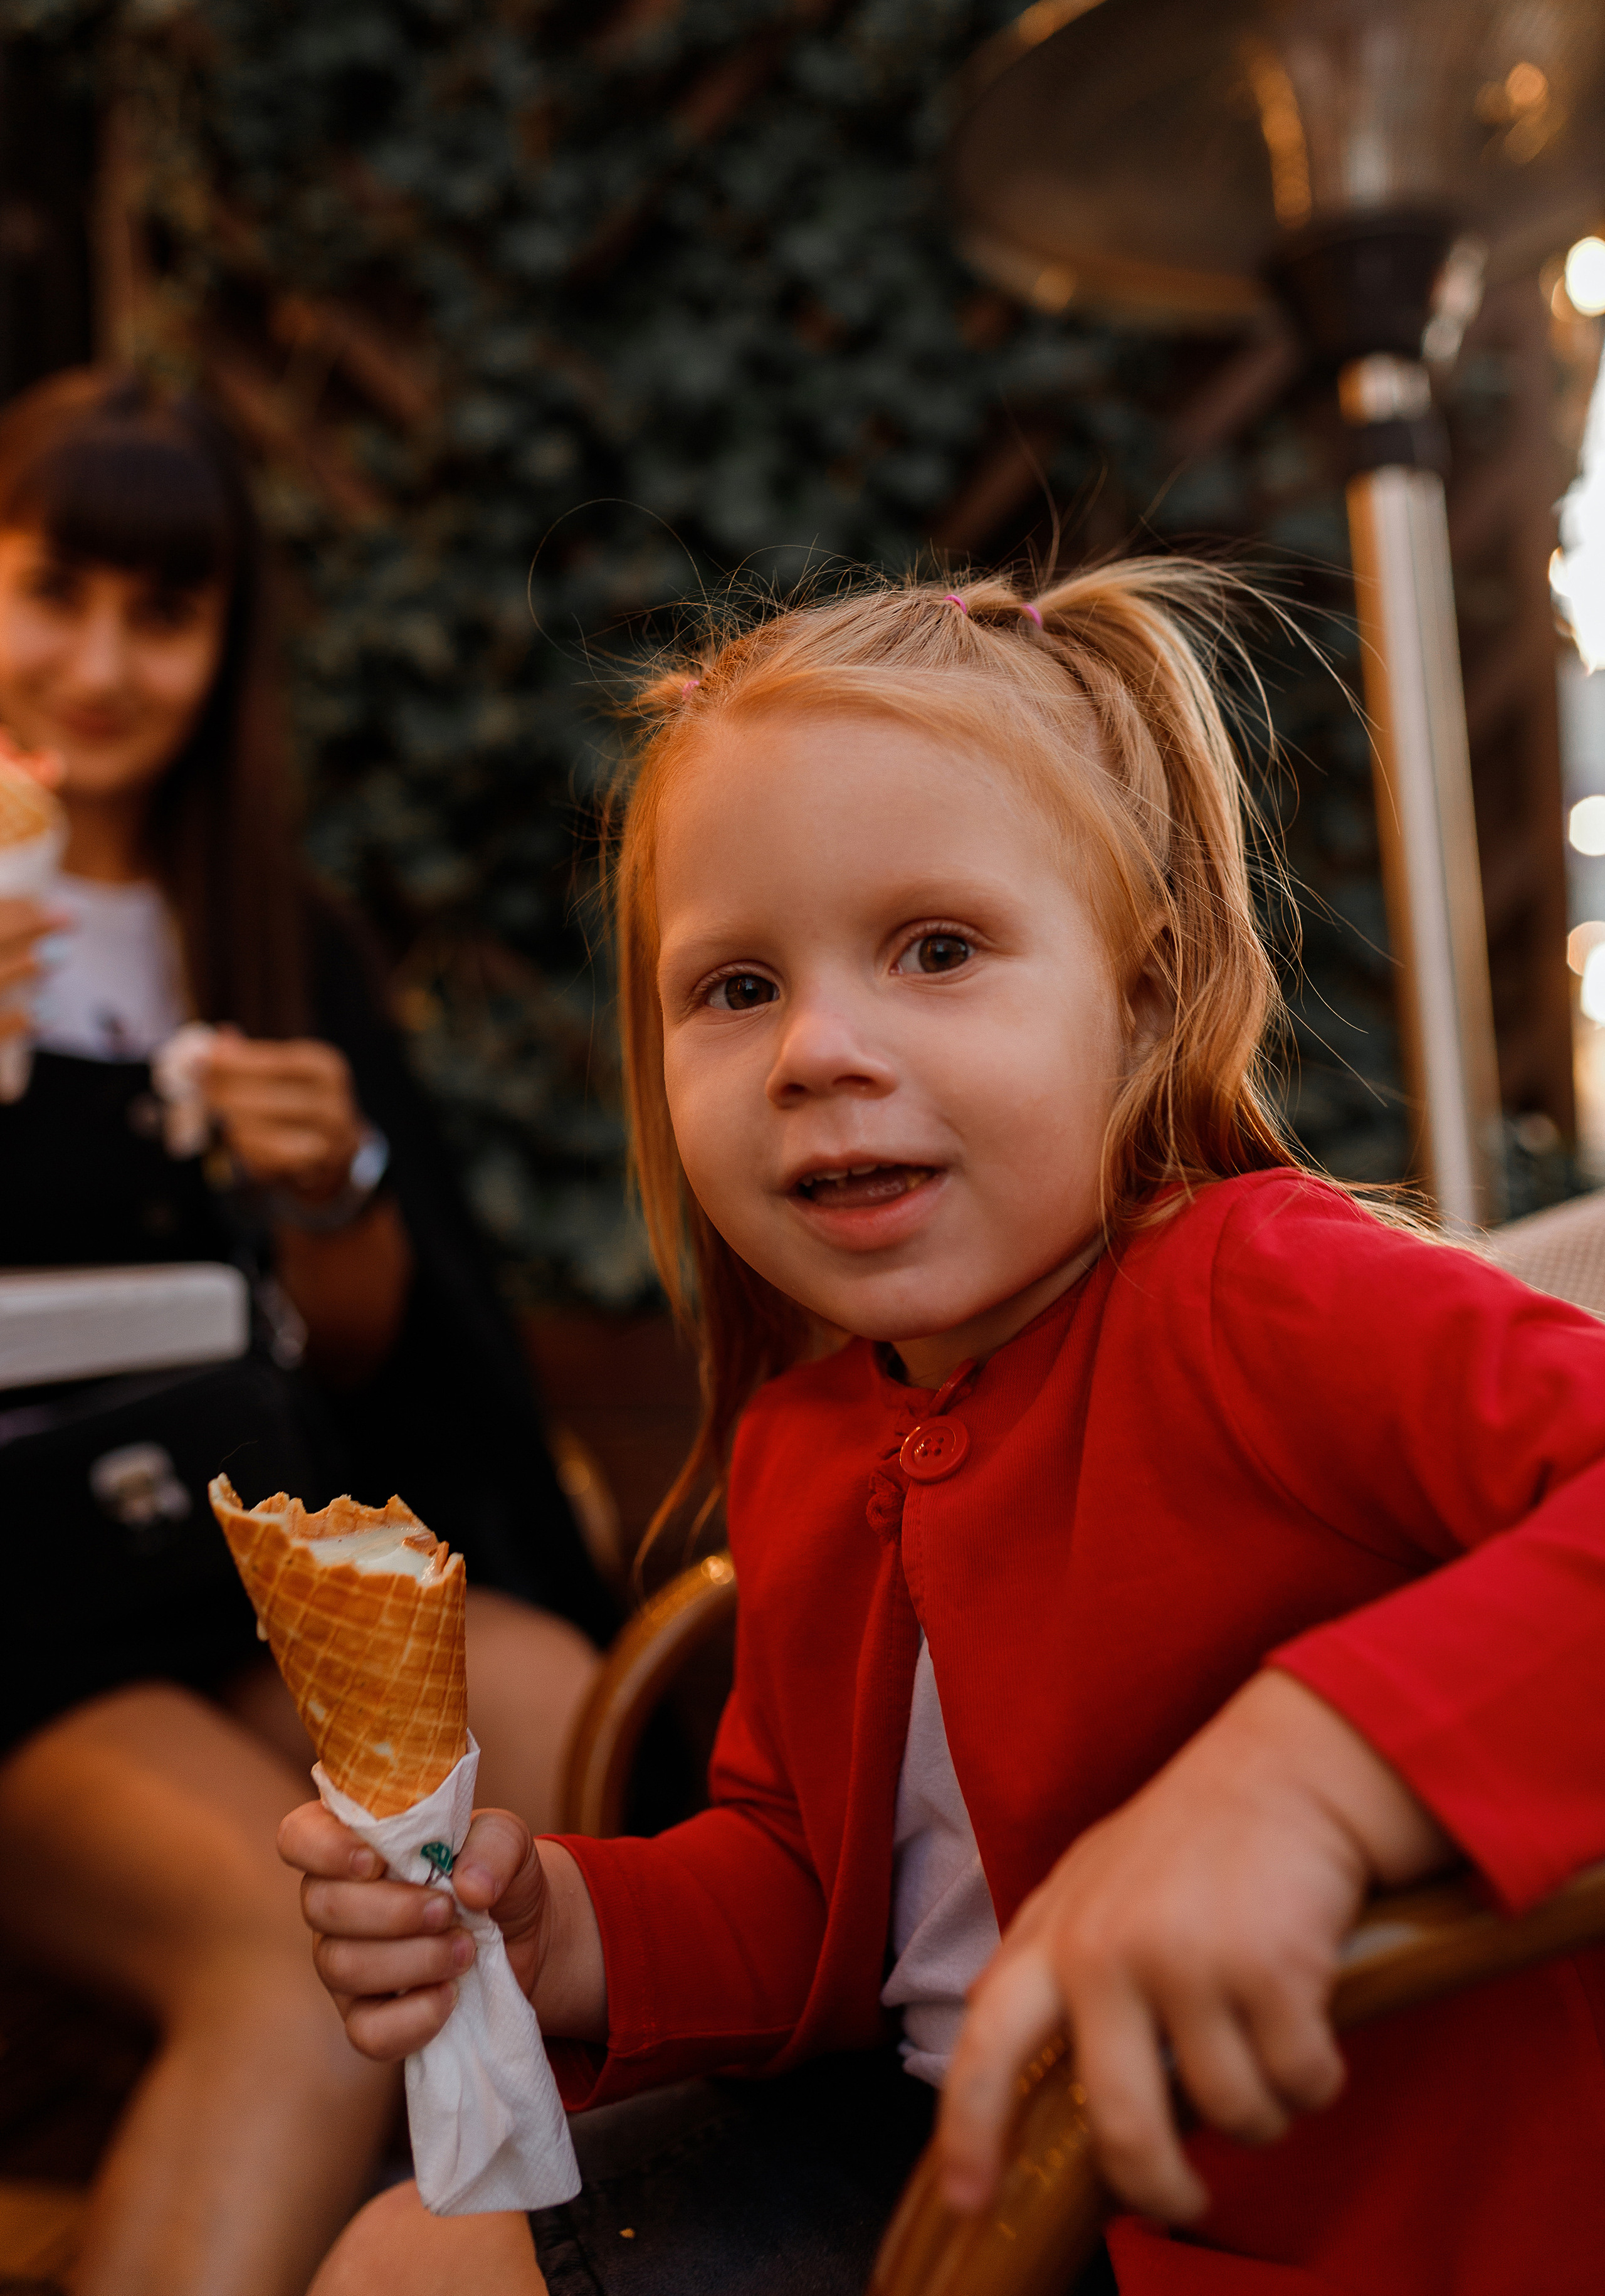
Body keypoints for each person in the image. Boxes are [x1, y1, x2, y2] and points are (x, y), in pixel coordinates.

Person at [287, 564, 1605, 2296]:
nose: (820, 1048)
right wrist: (573, 1931)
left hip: (1300, 2221)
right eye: (735, 987)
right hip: (940, 2148)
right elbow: (813, 1894)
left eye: (939, 950)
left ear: (1142, 992)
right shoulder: (814, 1437)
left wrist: (1308, 1783)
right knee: (404, 2262)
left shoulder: (1264, 1297)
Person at [0, 369, 614, 2296]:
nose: (100, 664)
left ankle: (565, 2249)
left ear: (227, 644)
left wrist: (336, 1178)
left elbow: (369, 1359)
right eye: (51, 591)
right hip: (16, 1631)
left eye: (162, 615)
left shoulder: (273, 935)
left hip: (208, 1583)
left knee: (571, 1725)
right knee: (296, 1936)